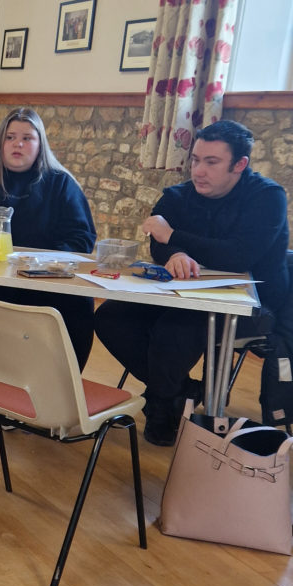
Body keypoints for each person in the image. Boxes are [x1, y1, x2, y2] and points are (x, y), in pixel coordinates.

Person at [95, 120, 289, 446]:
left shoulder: (268, 197)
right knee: (111, 317)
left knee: (175, 329)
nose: (198, 170)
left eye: (211, 162)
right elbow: (157, 244)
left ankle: (162, 411)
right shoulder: (179, 194)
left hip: (252, 302)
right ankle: (181, 392)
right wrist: (174, 252)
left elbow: (239, 256)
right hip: (181, 294)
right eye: (196, 160)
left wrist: (172, 236)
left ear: (239, 165)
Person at [0, 107, 97, 369]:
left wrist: (41, 263)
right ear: (0, 141)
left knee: (80, 302)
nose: (18, 144)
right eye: (11, 137)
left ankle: (59, 380)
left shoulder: (61, 183)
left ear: (40, 144)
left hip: (44, 279)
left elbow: (81, 237)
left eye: (27, 138)